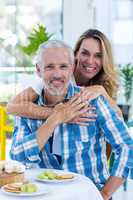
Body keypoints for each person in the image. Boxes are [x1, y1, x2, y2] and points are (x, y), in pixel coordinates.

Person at [10, 40, 133, 200]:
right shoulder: (27, 105)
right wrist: (55, 118)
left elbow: (126, 146)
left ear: (73, 68)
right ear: (38, 70)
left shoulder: (92, 100)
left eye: (63, 66)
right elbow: (17, 156)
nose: (57, 74)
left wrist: (104, 194)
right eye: (49, 67)